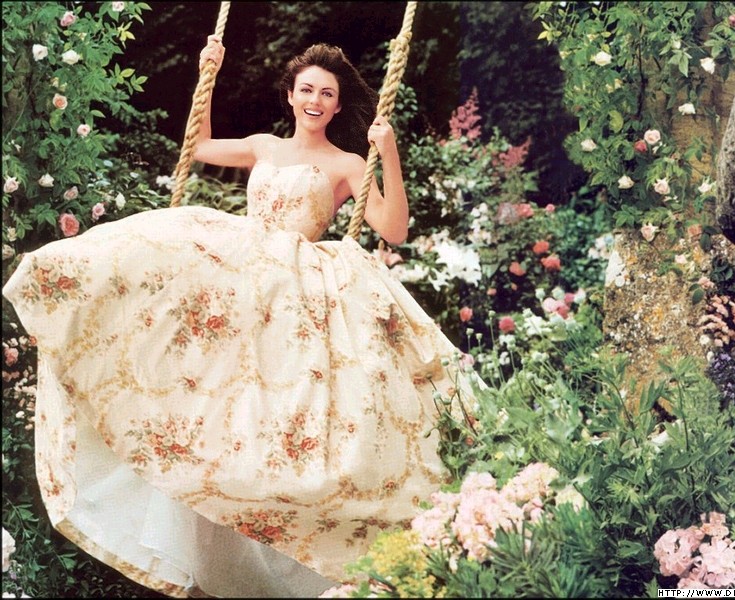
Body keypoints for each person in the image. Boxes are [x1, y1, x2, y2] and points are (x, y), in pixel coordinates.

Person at [2, 36, 475, 598]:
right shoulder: (263, 146)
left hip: (295, 287)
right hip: (243, 274)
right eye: (307, 90)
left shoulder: (347, 163)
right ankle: (56, 288)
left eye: (327, 94)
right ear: (291, 95)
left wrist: (388, 151)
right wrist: (210, 73)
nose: (315, 101)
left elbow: (393, 228)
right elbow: (199, 144)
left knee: (276, 410)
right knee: (197, 368)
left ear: (338, 105)